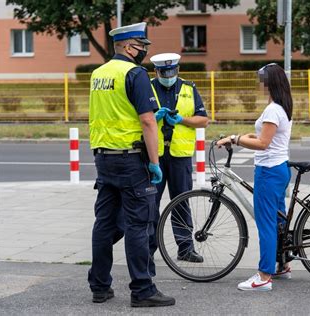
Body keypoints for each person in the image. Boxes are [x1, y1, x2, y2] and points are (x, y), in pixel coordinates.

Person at [88, 22, 175, 307]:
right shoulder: (134, 73)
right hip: (131, 160)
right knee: (139, 225)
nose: (144, 54)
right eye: (141, 48)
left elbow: (109, 113)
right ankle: (142, 290)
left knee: (104, 224)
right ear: (127, 47)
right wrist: (154, 162)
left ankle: (99, 286)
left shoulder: (98, 74)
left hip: (104, 158)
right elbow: (147, 120)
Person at [216, 63, 293, 291]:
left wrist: (236, 138)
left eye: (262, 80)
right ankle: (282, 264)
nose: (260, 84)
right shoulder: (281, 106)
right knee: (278, 221)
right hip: (280, 168)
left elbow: (263, 143)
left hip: (269, 172)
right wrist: (244, 136)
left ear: (270, 83)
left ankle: (263, 277)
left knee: (266, 224)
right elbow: (265, 136)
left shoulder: (273, 109)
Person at [149, 53, 209, 263]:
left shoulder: (188, 88)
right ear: (156, 71)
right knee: (150, 204)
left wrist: (183, 119)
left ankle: (185, 248)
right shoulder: (146, 88)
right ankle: (147, 249)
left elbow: (203, 120)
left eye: (172, 72)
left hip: (179, 156)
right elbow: (135, 119)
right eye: (164, 73)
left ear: (178, 70)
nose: (169, 76)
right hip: (153, 156)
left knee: (181, 203)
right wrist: (152, 118)